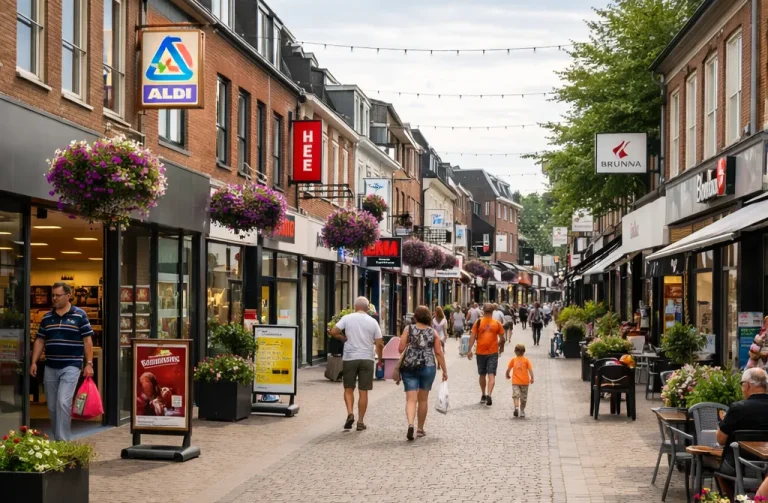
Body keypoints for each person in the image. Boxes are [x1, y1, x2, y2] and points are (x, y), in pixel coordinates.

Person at [30, 282, 94, 441]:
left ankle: (62, 442)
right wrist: (34, 362)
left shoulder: (79, 315)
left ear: (68, 296)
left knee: (63, 402)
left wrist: (89, 363)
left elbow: (87, 340)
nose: (54, 298)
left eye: (58, 295)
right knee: (51, 406)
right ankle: (57, 438)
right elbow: (40, 340)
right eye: (53, 295)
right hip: (51, 366)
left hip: (71, 366)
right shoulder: (47, 317)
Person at [329, 296, 384, 432]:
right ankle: (360, 421)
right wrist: (380, 359)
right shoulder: (373, 322)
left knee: (348, 388)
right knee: (363, 391)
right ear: (367, 308)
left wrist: (343, 338)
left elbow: (333, 331)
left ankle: (350, 413)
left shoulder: (347, 318)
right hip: (367, 358)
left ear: (355, 307)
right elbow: (380, 343)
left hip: (350, 358)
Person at [715, 368, 768, 495]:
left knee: (717, 468)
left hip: (739, 464)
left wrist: (722, 423)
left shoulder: (738, 408)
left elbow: (720, 440)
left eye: (742, 384)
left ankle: (732, 499)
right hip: (766, 465)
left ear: (747, 385)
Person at [399, 306, 448, 441]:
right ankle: (420, 429)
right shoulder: (433, 332)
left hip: (409, 366)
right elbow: (438, 352)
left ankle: (410, 424)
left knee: (410, 399)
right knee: (423, 399)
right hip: (428, 366)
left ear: (415, 316)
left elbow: (400, 348)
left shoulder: (408, 329)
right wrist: (444, 370)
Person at [467, 304, 505, 406]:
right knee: (491, 374)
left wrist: (469, 350)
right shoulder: (497, 323)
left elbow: (472, 337)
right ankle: (489, 394)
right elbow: (502, 338)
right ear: (492, 312)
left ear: (483, 311)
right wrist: (501, 347)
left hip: (480, 353)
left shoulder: (478, 322)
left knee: (482, 374)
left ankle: (483, 394)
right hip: (493, 353)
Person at [505, 344, 534, 418]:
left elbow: (508, 369)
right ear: (524, 352)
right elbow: (530, 370)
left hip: (518, 382)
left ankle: (518, 408)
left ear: (515, 351)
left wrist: (507, 374)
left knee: (516, 395)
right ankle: (520, 410)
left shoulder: (516, 360)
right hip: (521, 382)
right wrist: (532, 378)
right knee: (523, 397)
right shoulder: (524, 360)